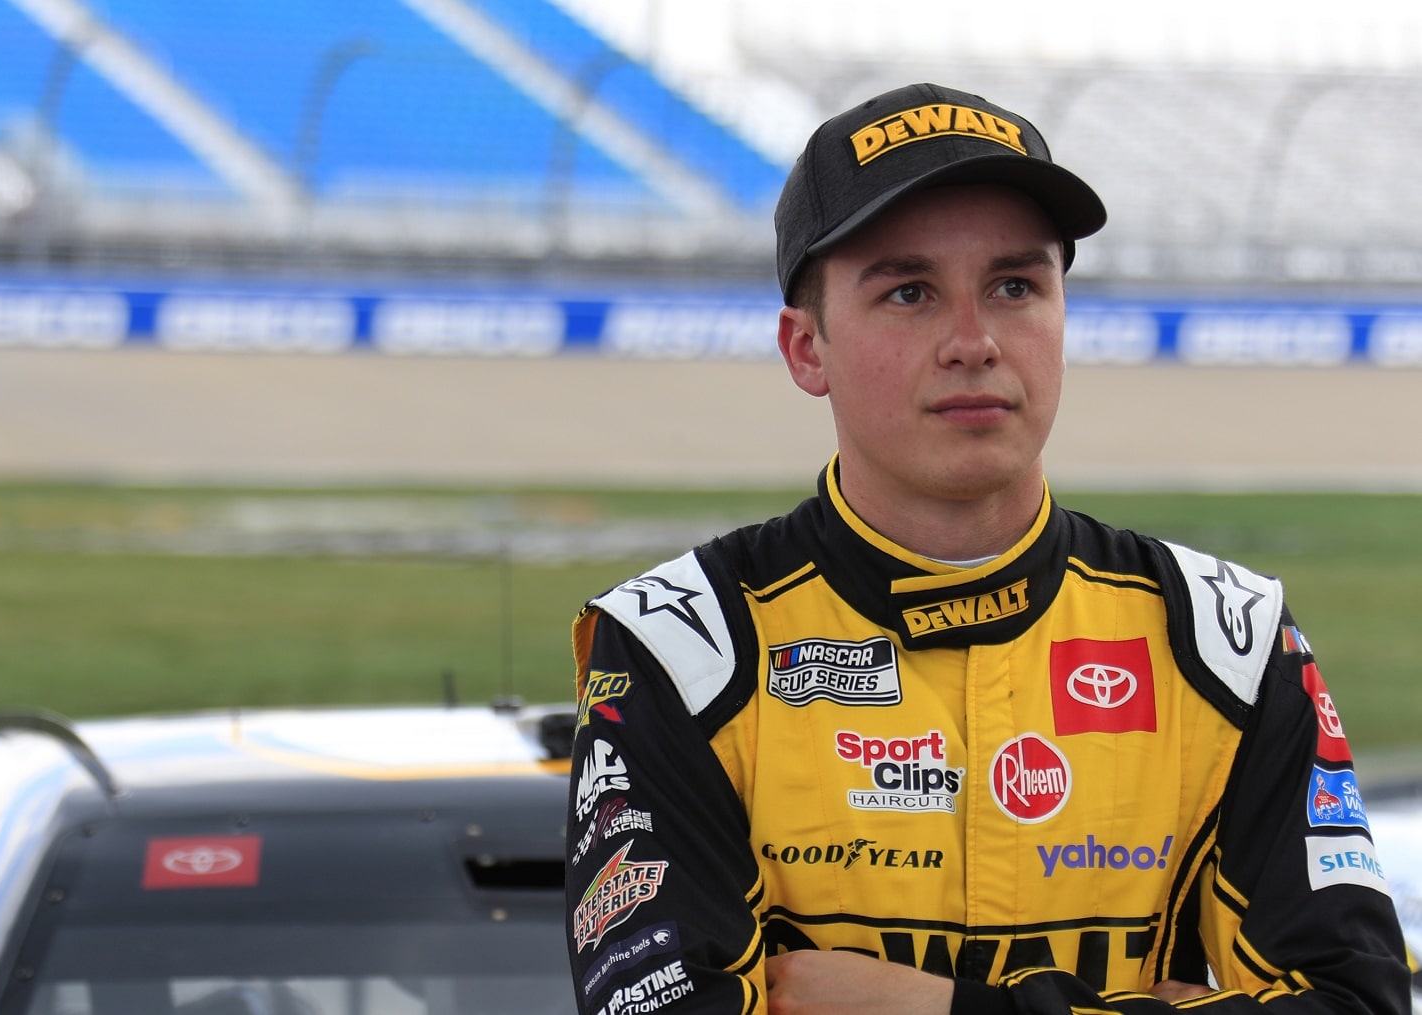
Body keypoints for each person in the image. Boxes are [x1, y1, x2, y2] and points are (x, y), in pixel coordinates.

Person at [564, 82, 1410, 1015]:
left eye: (1015, 285)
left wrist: (923, 1006)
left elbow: (1358, 1001)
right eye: (910, 291)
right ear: (807, 348)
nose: (973, 342)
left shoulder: (1226, 641)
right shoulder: (681, 649)